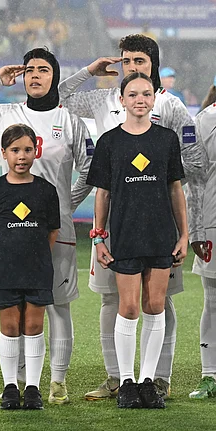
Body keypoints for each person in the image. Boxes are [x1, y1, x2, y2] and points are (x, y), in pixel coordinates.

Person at [59, 34, 206, 400]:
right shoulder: (104, 107)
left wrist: (184, 225)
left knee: (159, 303)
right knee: (116, 302)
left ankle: (157, 379)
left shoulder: (171, 110)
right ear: (123, 97)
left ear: (153, 67)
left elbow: (189, 168)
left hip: (159, 227)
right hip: (118, 229)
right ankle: (118, 379)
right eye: (126, 61)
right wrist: (89, 71)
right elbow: (58, 98)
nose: (132, 67)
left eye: (139, 60)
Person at [0, 47, 93, 405]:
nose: (34, 75)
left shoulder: (70, 120)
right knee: (15, 311)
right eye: (29, 69)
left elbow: (90, 170)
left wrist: (65, 206)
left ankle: (56, 382)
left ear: (54, 77)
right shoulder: (6, 113)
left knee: (57, 305)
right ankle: (16, 383)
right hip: (12, 233)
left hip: (54, 231)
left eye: (43, 70)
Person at [87, 72, 188, 409]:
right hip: (125, 235)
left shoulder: (166, 139)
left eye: (146, 94)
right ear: (122, 100)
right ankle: (126, 382)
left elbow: (176, 189)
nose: (140, 100)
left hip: (161, 234)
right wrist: (100, 238)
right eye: (133, 94)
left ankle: (147, 382)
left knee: (154, 306)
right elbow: (102, 194)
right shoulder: (109, 142)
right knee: (128, 308)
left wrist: (184, 234)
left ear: (153, 99)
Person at [0, 123, 61, 410]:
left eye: (27, 149)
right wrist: (3, 257)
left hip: (38, 269)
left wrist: (35, 256)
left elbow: (52, 231)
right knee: (10, 326)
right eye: (15, 150)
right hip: (6, 270)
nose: (21, 156)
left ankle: (34, 388)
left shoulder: (46, 191)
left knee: (35, 325)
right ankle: (11, 385)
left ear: (36, 151)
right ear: (3, 153)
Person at [190, 93, 216, 399]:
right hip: (212, 221)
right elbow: (193, 179)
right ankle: (210, 375)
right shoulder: (204, 121)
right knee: (213, 300)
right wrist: (196, 228)